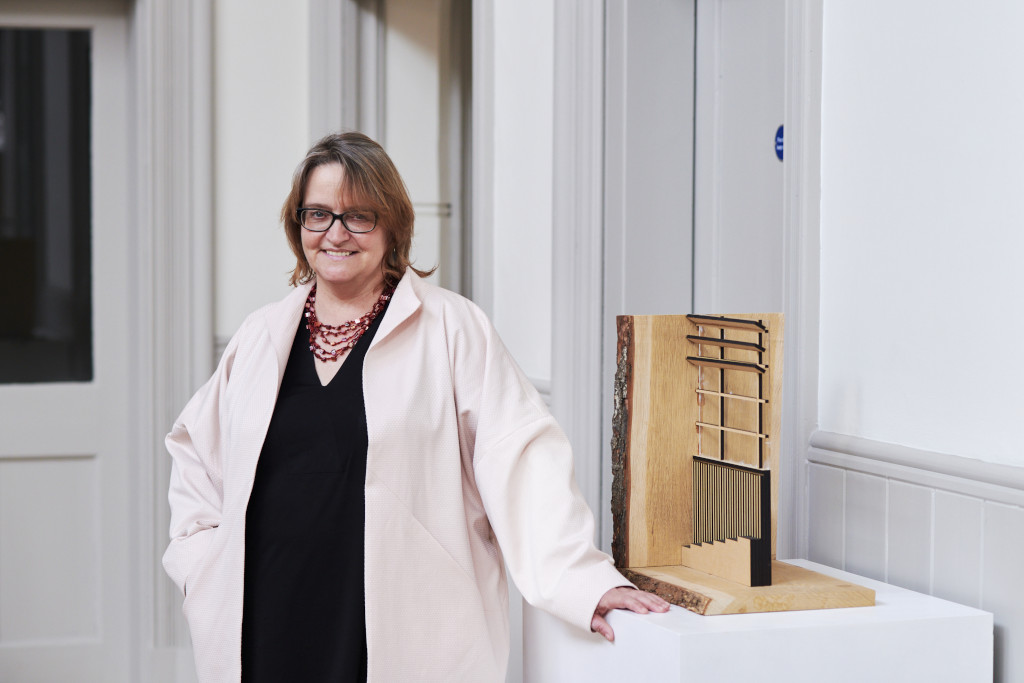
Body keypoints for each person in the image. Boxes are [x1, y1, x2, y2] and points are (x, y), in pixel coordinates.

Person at [162, 131, 668, 682]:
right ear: (297, 224)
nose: (335, 233)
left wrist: (580, 580)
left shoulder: (452, 329)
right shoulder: (261, 336)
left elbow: (520, 456)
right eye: (318, 214)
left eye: (358, 216)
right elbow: (196, 452)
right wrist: (198, 562)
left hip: (397, 627)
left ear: (391, 225)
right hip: (266, 619)